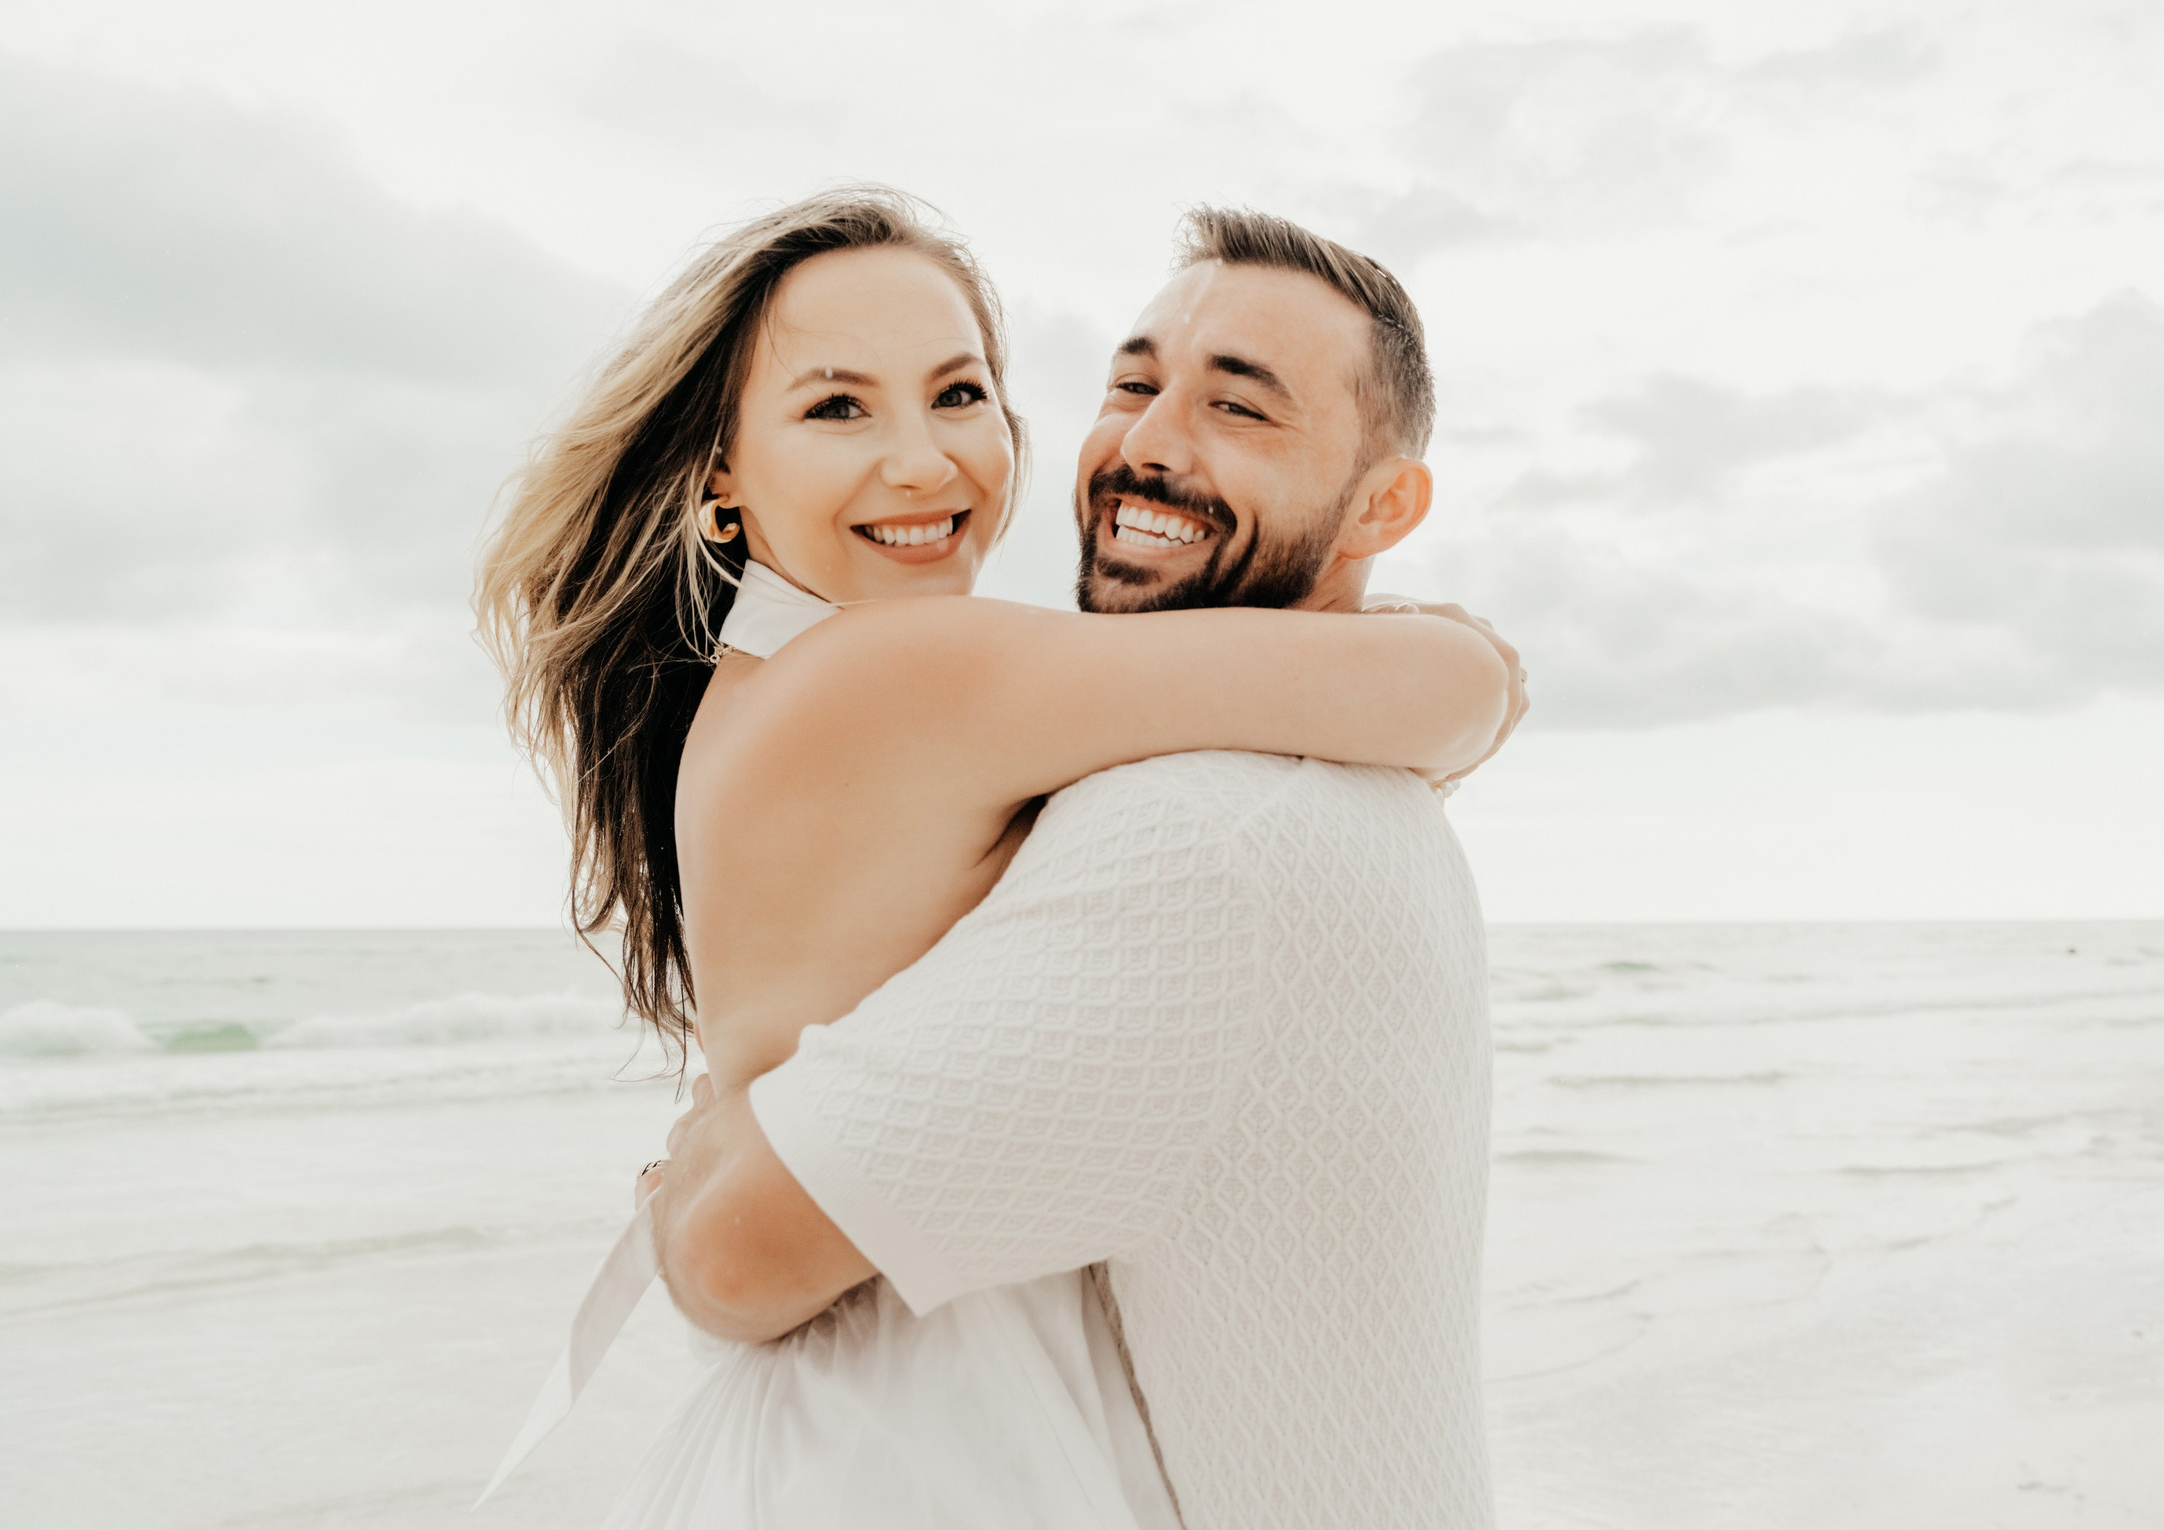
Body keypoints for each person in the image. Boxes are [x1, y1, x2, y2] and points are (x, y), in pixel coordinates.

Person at [477, 188, 1520, 1528]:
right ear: (722, 473)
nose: (923, 465)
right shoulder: (903, 669)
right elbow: (1436, 691)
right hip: (918, 1429)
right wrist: (1481, 661)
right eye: (838, 408)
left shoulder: (784, 678)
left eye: (958, 395)